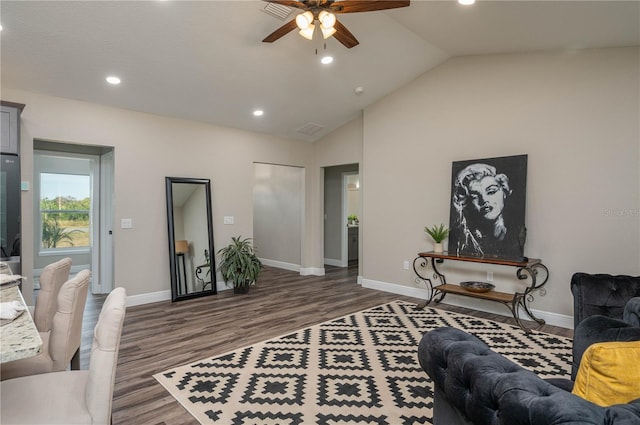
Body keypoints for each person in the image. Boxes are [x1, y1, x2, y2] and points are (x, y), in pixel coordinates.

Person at [450, 163, 523, 257]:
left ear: (504, 192)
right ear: (466, 202)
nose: (484, 200)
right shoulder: (461, 242)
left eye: (491, 192)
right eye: (475, 196)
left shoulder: (517, 235)